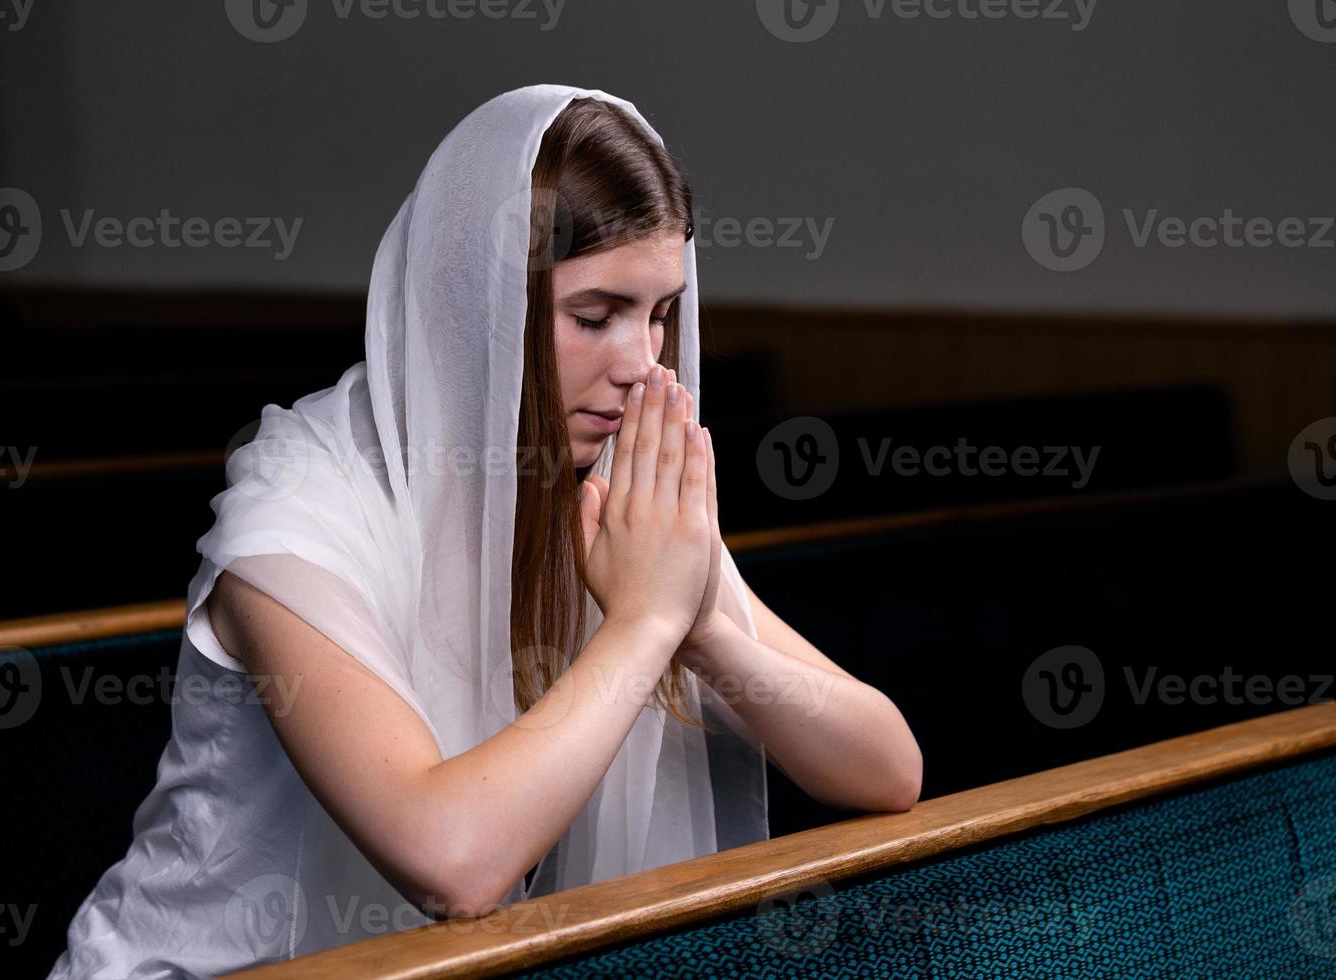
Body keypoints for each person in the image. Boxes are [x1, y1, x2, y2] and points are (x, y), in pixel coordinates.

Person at [47, 83, 921, 979]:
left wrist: (696, 626)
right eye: (595, 316)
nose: (643, 367)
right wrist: (645, 625)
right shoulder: (298, 504)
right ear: (476, 298)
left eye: (661, 315)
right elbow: (453, 864)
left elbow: (887, 767)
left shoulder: (603, 490)